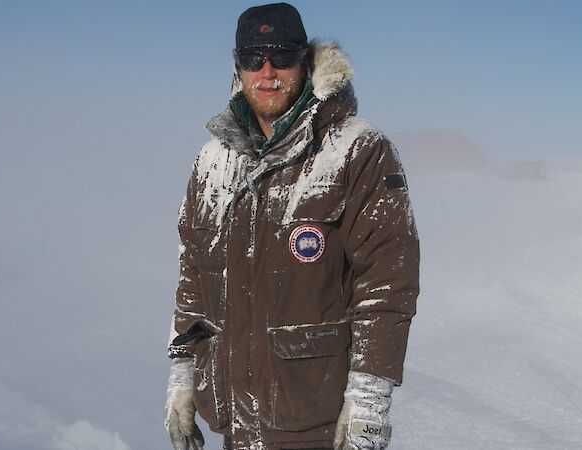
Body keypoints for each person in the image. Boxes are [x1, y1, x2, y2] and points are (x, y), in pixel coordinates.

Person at [165, 3, 419, 449]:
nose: (267, 73)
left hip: (313, 421)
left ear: (304, 61)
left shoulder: (358, 150)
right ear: (237, 67)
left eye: (281, 58)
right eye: (252, 60)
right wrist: (181, 377)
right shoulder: (211, 161)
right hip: (232, 424)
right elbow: (192, 280)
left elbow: (386, 286)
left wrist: (368, 401)